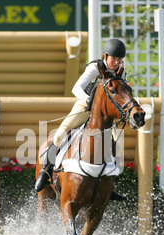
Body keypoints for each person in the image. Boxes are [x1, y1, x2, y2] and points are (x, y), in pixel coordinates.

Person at [35, 39, 128, 201]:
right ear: (105, 56)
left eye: (119, 59)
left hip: (103, 115)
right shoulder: (95, 67)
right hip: (84, 108)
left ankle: (109, 184)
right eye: (113, 58)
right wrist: (88, 101)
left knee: (114, 143)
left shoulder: (120, 72)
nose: (116, 62)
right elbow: (76, 88)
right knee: (60, 134)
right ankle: (45, 171)